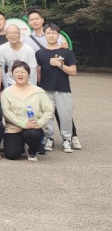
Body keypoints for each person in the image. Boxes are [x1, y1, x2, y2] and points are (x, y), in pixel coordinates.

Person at [36, 24, 77, 153]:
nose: (51, 35)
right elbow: (38, 72)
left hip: (63, 89)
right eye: (48, 33)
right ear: (44, 35)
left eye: (54, 33)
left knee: (65, 116)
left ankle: (67, 139)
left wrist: (60, 65)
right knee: (47, 116)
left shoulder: (67, 52)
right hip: (45, 89)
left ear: (58, 35)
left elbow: (73, 71)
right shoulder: (39, 53)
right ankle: (49, 138)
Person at [1, 61, 54, 161]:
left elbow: (49, 110)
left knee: (32, 134)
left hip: (33, 127)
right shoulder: (7, 92)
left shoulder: (38, 91)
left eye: (23, 72)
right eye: (17, 72)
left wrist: (39, 123)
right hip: (14, 127)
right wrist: (22, 123)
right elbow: (6, 111)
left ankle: (32, 150)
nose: (20, 74)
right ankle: (20, 145)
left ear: (28, 74)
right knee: (12, 155)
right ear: (12, 74)